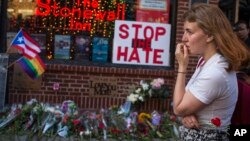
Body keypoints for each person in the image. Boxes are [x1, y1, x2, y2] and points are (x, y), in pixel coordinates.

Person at [173, 3, 250, 141]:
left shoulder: (215, 72)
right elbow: (182, 102)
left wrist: (182, 67)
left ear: (209, 36)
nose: (184, 38)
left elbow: (178, 107)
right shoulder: (206, 62)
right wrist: (186, 113)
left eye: (189, 32)